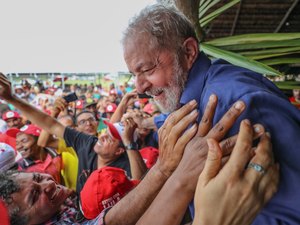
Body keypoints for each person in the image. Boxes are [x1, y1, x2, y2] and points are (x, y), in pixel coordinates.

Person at [121, 4, 300, 224]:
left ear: (188, 52)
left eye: (147, 70)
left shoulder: (232, 104)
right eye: (134, 75)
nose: (139, 88)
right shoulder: (189, 101)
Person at [0, 96, 279, 225]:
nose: (46, 184)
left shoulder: (66, 202)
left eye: (38, 178)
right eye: (35, 196)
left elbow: (110, 222)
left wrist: (170, 169)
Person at [0, 74, 147, 194]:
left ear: (121, 150)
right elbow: (50, 124)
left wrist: (130, 144)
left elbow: (142, 189)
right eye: (105, 132)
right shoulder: (88, 143)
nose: (101, 135)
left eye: (109, 137)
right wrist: (11, 98)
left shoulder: (126, 165)